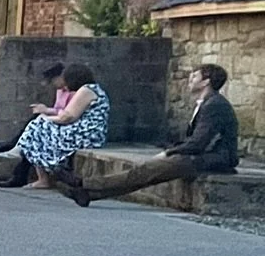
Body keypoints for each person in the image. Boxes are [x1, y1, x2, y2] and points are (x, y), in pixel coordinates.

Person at [62, 64, 241, 206]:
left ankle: (84, 184)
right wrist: (171, 147)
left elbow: (199, 143)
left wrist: (170, 153)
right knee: (147, 173)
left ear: (206, 82)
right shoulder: (207, 103)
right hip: (204, 155)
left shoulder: (214, 105)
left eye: (195, 76)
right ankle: (88, 194)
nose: (189, 80)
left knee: (148, 170)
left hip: (215, 158)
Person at [0, 63, 108, 188]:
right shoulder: (93, 89)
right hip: (87, 132)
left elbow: (67, 117)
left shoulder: (86, 90)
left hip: (86, 135)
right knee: (39, 128)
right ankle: (25, 153)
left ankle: (25, 153)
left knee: (39, 125)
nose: (65, 84)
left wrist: (47, 119)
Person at [0, 63, 67, 153]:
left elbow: (67, 113)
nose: (53, 85)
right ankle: (15, 144)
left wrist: (47, 110)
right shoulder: (60, 91)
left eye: (53, 81)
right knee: (36, 119)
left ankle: (13, 144)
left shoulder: (72, 92)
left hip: (65, 123)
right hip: (56, 120)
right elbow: (57, 109)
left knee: (38, 120)